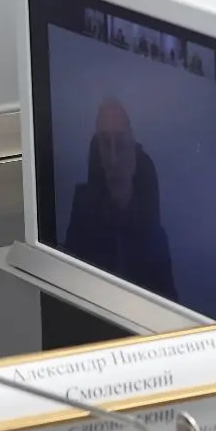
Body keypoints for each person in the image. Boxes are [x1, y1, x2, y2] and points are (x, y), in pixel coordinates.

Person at [63, 99, 178, 300]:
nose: (113, 159)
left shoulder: (154, 237)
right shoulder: (83, 213)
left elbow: (169, 305)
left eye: (121, 143)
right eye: (105, 143)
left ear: (134, 153)